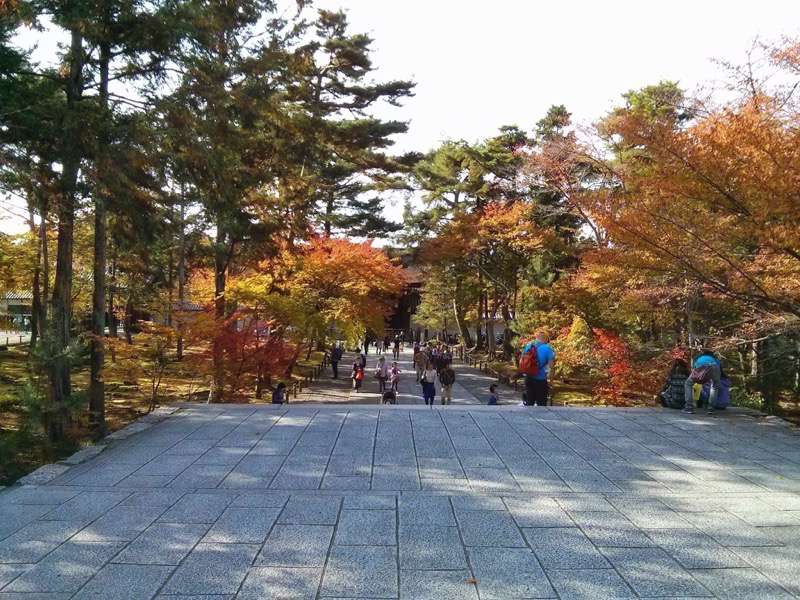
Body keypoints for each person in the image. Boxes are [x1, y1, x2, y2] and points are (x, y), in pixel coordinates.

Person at [521, 332, 556, 406]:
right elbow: (551, 367)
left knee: (529, 402)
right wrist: (551, 382)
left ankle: (528, 416)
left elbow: (522, 360)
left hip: (528, 377)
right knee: (541, 404)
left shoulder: (528, 346)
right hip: (540, 380)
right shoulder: (547, 348)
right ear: (545, 339)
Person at [684, 349, 721, 414]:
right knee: (714, 386)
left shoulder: (699, 358)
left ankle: (689, 407)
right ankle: (711, 409)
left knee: (688, 383)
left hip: (701, 367)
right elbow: (718, 367)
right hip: (715, 367)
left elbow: (694, 368)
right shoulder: (715, 358)